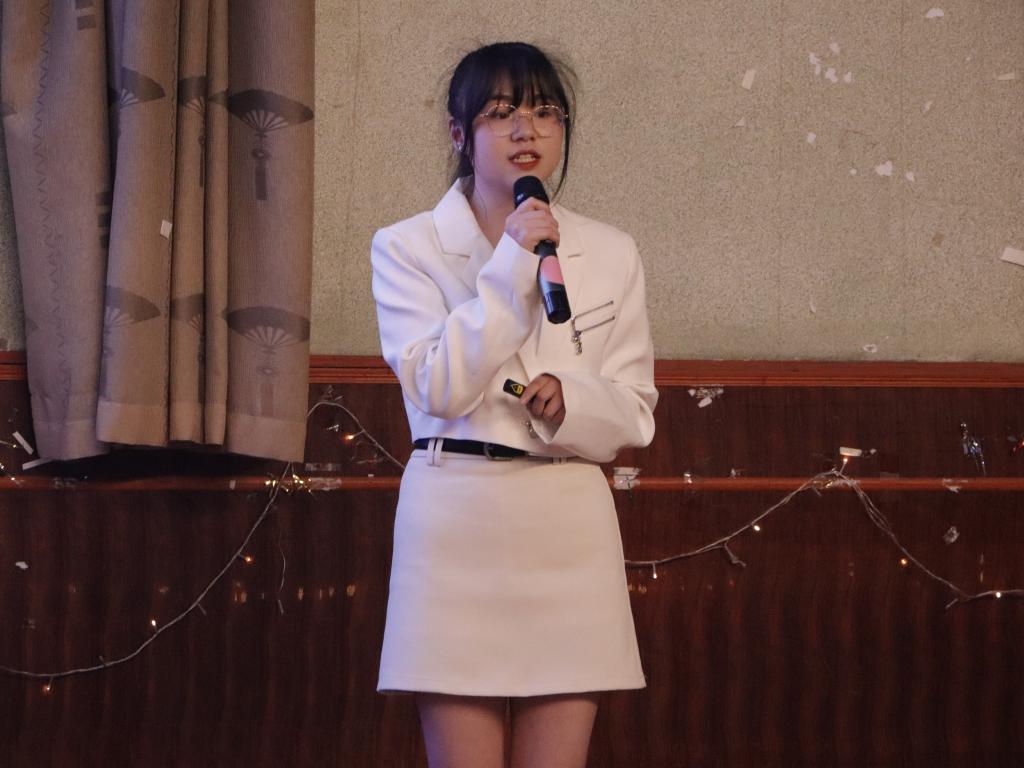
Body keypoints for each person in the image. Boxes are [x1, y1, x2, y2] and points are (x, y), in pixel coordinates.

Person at [370, 41, 658, 768]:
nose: (527, 130)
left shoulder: (611, 250)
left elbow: (635, 409)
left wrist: (574, 401)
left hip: (568, 524)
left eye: (545, 111)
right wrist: (512, 263)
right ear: (458, 133)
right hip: (455, 520)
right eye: (501, 113)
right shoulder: (407, 247)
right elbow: (436, 386)